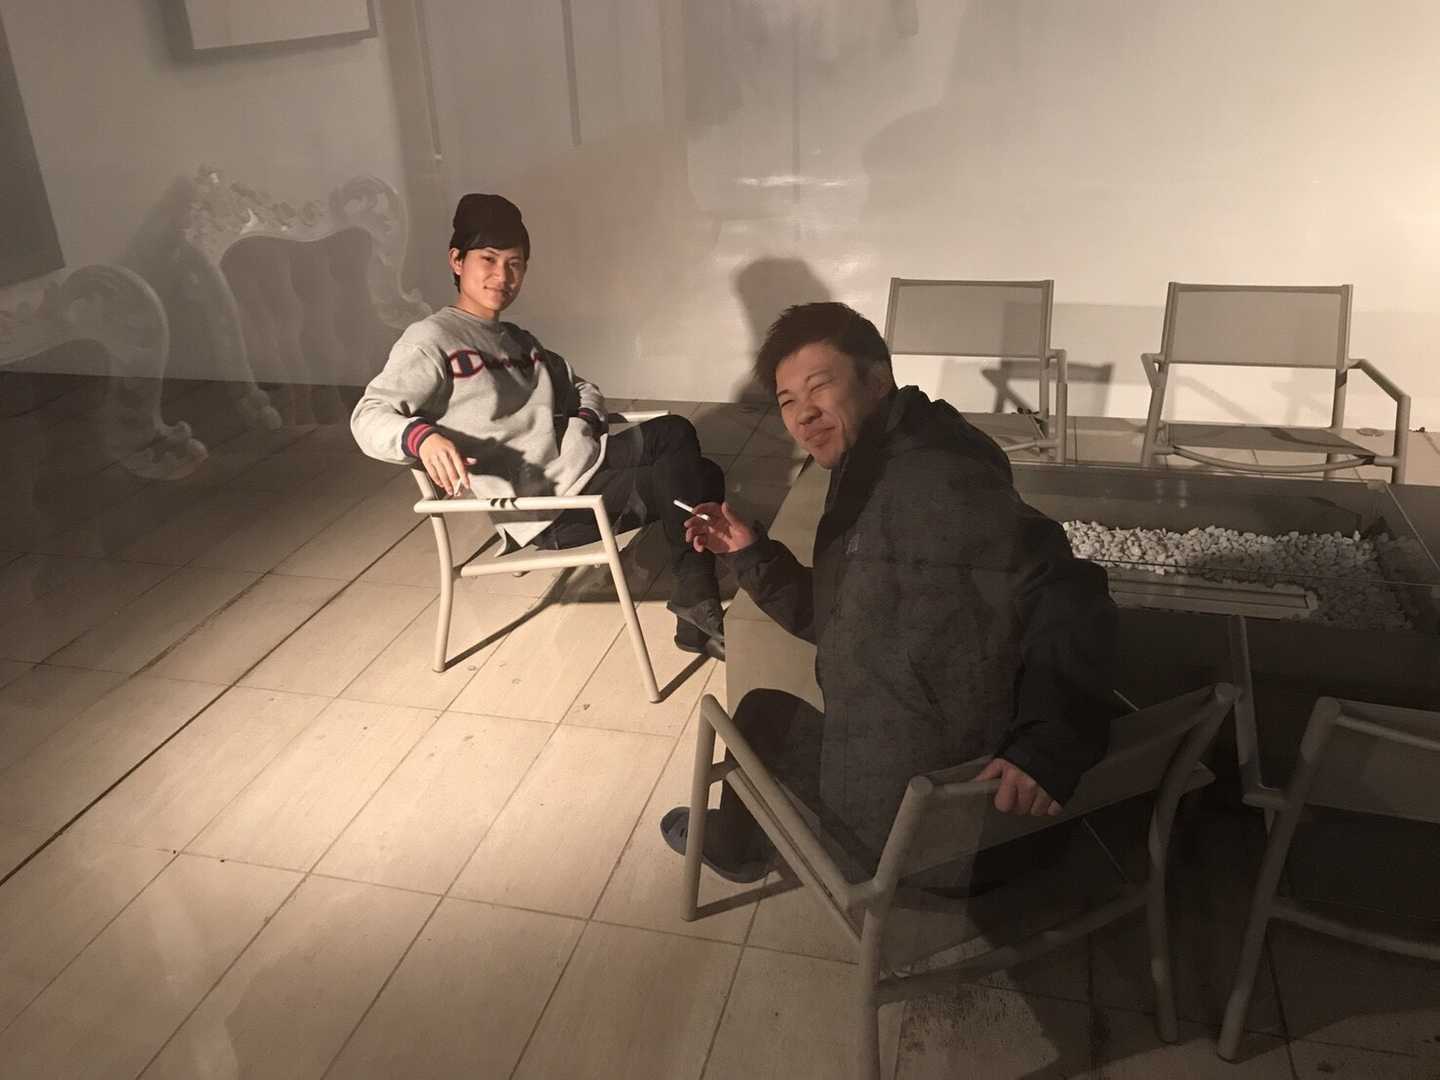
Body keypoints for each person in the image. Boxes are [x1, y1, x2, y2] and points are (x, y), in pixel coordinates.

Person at [661, 302, 1119, 889]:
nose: (804, 415)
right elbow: (837, 618)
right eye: (788, 401)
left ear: (878, 380)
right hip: (953, 793)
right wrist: (749, 552)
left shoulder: (931, 483)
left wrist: (1047, 747)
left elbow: (1071, 591)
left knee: (757, 717)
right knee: (773, 713)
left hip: (927, 835)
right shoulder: (903, 453)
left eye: (819, 387)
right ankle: (743, 840)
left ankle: (740, 848)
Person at [351, 194, 726, 656]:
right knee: (698, 478)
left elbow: (582, 387)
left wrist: (584, 422)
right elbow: (368, 415)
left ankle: (694, 601)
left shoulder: (518, 341)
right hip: (548, 508)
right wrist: (421, 438)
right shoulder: (431, 339)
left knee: (677, 432)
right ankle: (698, 604)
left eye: (515, 264)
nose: (502, 276)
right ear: (457, 261)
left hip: (579, 469)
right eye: (488, 260)